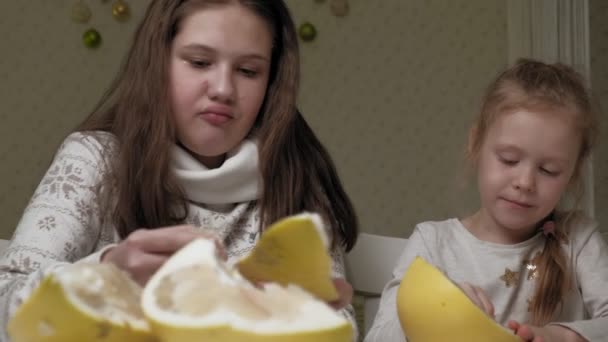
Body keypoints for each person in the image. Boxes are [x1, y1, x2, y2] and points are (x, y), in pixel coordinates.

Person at [0, 0, 359, 339]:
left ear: (271, 83)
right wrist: (106, 273)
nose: (223, 89)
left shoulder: (297, 179)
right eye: (200, 62)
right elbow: (5, 304)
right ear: (158, 63)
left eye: (249, 71)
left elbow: (340, 327)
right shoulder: (95, 160)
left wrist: (290, 315)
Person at [365, 59, 607, 342]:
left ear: (572, 174)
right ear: (476, 144)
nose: (525, 182)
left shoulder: (577, 239)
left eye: (548, 170)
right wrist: (434, 309)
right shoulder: (433, 243)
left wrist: (563, 336)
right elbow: (379, 337)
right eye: (509, 159)